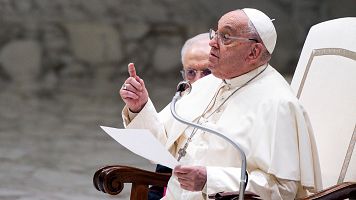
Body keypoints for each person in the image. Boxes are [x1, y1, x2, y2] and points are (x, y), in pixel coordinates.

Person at [120, 8, 322, 200]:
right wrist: (139, 106)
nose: (212, 43)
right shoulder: (207, 84)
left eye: (225, 37)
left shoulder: (279, 104)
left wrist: (210, 179)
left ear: (253, 52)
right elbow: (160, 148)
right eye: (215, 34)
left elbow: (283, 189)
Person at [148, 32, 211, 200]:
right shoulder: (181, 101)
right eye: (191, 72)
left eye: (207, 72)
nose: (198, 80)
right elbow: (154, 151)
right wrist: (138, 108)